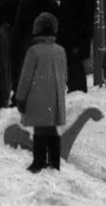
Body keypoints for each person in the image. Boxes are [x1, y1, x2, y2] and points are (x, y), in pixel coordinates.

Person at [15, 12, 67, 172]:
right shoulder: (60, 50)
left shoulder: (34, 51)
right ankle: (54, 162)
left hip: (37, 96)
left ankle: (39, 162)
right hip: (55, 96)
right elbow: (64, 75)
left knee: (40, 129)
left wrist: (20, 98)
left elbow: (26, 77)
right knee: (51, 129)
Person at [56, 0, 97, 93]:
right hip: (81, 35)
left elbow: (69, 12)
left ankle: (77, 98)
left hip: (72, 35)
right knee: (76, 70)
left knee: (74, 72)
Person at [10, 0, 59, 88]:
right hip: (50, 42)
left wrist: (14, 44)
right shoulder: (52, 3)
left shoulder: (26, 3)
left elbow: (19, 25)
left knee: (28, 70)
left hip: (28, 41)